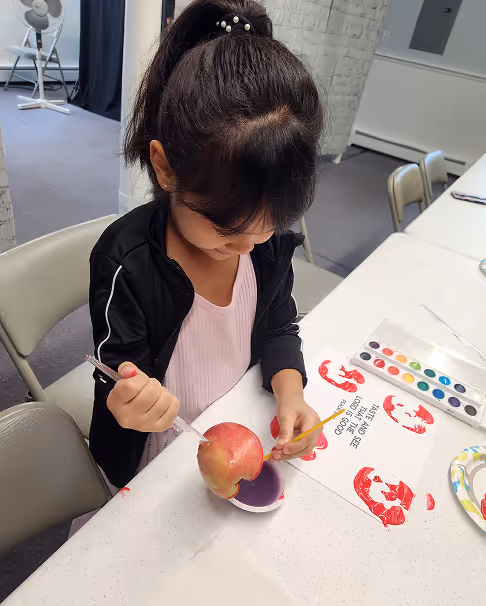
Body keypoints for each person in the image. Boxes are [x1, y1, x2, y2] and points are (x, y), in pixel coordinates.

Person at [89, 0, 325, 490]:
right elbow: (116, 374)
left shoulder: (268, 247)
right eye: (226, 229)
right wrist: (131, 403)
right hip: (156, 456)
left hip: (237, 424)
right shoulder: (127, 263)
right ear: (166, 166)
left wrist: (290, 391)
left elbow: (280, 324)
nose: (247, 248)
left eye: (265, 228)